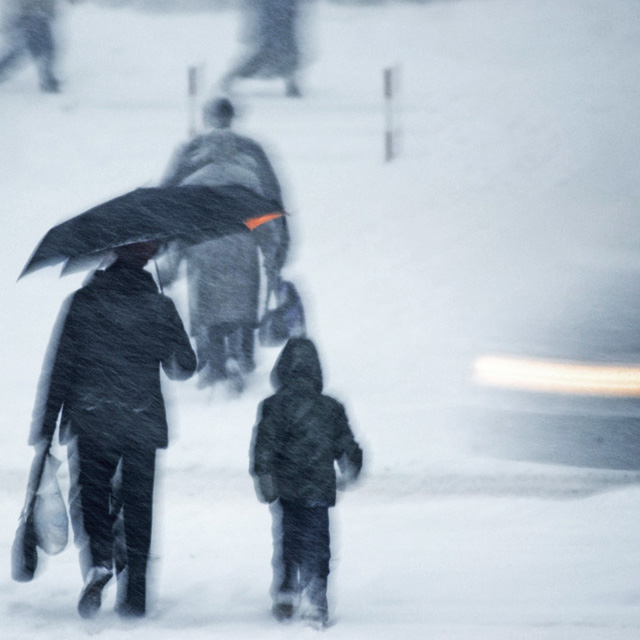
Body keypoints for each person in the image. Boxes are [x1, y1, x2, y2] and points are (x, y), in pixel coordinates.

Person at [29, 241, 197, 619]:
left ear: (110, 255)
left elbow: (60, 368)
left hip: (91, 420)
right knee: (138, 506)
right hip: (141, 421)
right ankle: (135, 595)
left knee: (92, 495)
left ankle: (99, 560)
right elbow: (183, 367)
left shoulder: (84, 302)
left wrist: (44, 427)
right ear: (147, 260)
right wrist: (167, 322)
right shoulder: (159, 306)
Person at [159, 97, 289, 389]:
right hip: (242, 247)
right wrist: (273, 249)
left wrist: (170, 251)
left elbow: (170, 204)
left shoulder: (191, 163)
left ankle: (213, 361)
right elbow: (269, 205)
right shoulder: (249, 164)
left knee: (208, 307)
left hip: (203, 248)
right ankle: (243, 354)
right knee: (242, 304)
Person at [250, 338, 363, 626]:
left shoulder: (274, 406)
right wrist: (352, 463)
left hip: (287, 488)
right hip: (318, 487)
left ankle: (287, 591)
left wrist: (263, 474)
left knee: (288, 539)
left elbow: (264, 445)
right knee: (319, 542)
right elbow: (346, 443)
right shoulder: (330, 407)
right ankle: (317, 595)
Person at [220, 0, 302, 97]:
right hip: (273, 17)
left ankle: (291, 83)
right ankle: (228, 80)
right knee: (264, 52)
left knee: (287, 51)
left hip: (282, 16)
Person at [0, 0, 69, 93]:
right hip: (32, 16)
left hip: (37, 16)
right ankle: (48, 81)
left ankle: (48, 80)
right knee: (45, 49)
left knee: (24, 50)